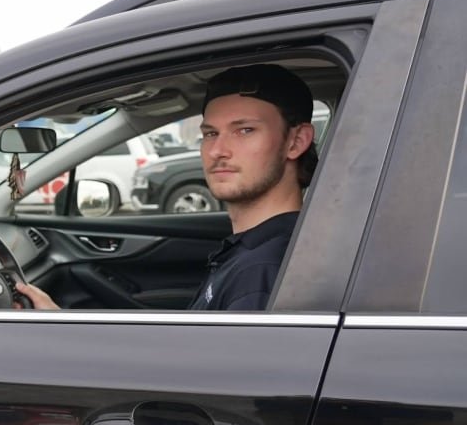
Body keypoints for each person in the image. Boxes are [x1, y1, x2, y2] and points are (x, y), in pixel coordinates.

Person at [16, 63, 317, 311]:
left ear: (296, 141)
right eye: (210, 134)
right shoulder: (253, 249)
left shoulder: (264, 270)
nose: (217, 151)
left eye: (245, 130)